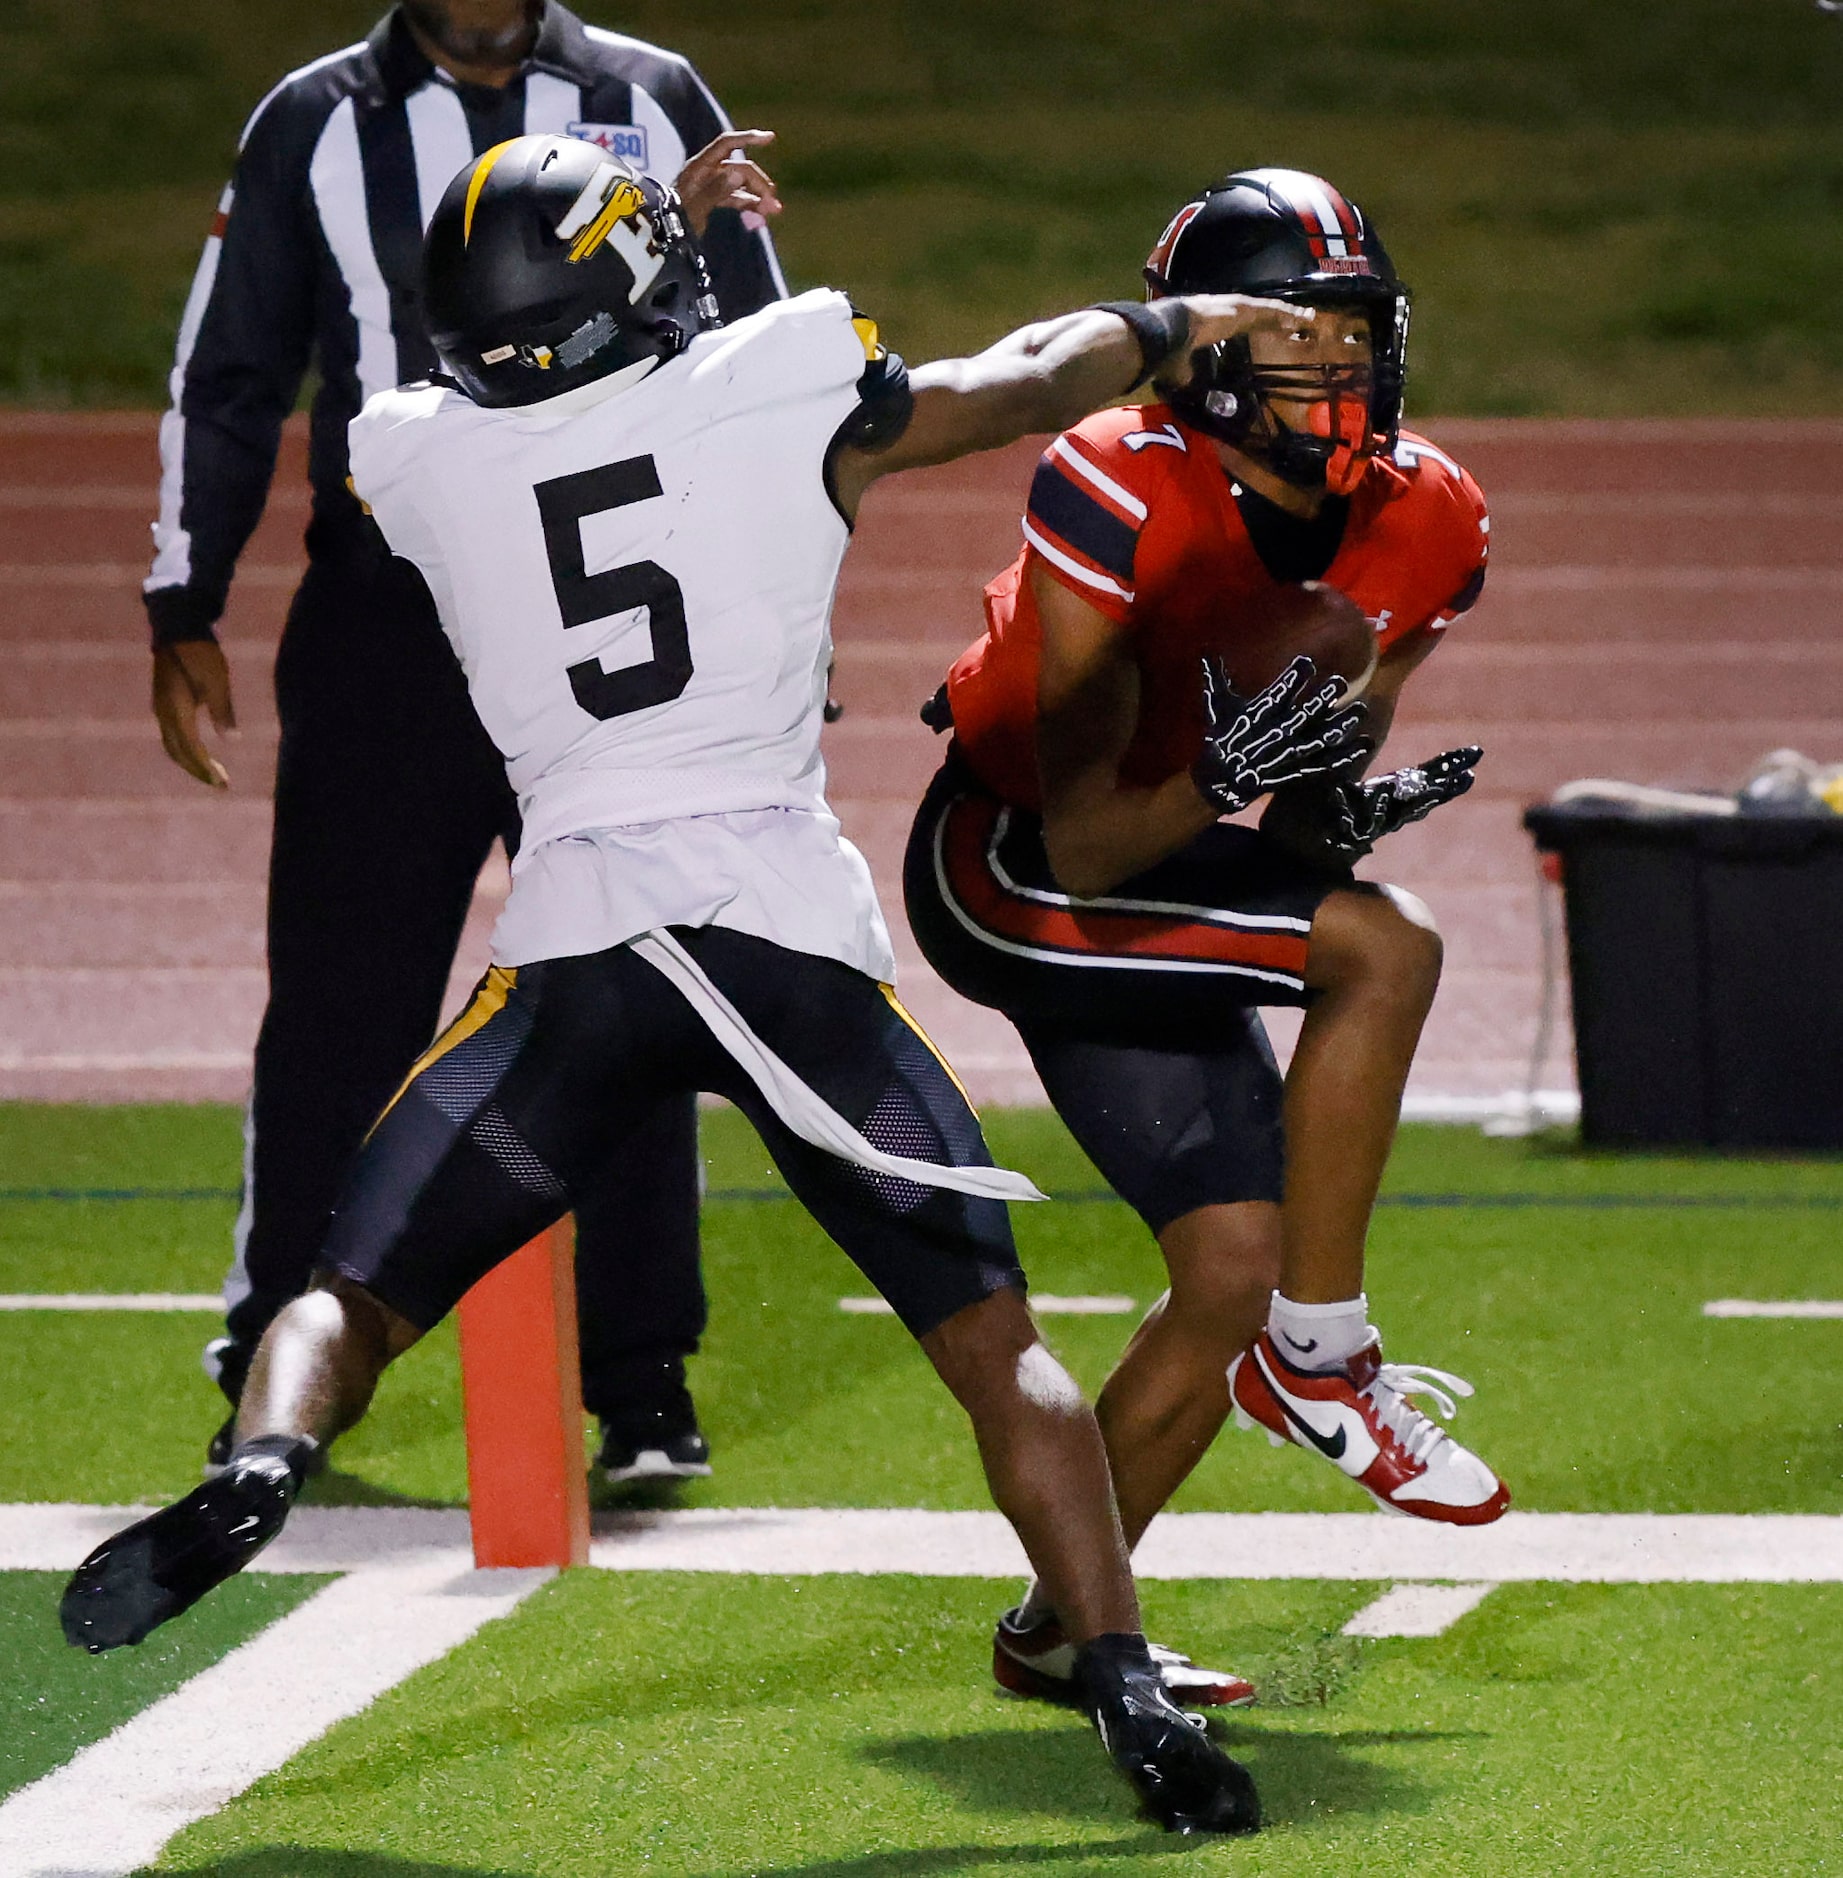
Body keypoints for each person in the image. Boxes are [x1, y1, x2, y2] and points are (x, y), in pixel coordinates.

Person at [57, 135, 1360, 1834]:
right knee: (998, 1347)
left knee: (349, 1292)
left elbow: (530, 392)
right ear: (631, 288)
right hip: (775, 938)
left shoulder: (416, 456)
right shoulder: (777, 377)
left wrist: (590, 277)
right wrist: (1179, 320)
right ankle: (1120, 1685)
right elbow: (1027, 377)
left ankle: (255, 1468)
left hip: (573, 948)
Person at [144, 0, 785, 1485]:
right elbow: (232, 368)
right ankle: (275, 1350)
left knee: (630, 983)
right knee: (342, 999)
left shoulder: (651, 92)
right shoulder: (313, 119)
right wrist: (187, 588)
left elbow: (759, 374)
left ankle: (639, 1379)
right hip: (392, 616)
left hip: (603, 610)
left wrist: (758, 607)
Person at [902, 168, 1510, 1709]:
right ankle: (1322, 1359)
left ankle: (1060, 1628)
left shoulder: (1425, 514)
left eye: (1354, 335)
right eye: (1292, 338)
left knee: (1233, 1260)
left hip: (1154, 853)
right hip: (1018, 862)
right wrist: (1245, 779)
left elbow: (1296, 811)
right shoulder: (1116, 475)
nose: (1336, 370)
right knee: (1389, 949)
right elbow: (1097, 835)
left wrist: (1332, 817)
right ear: (1209, 353)